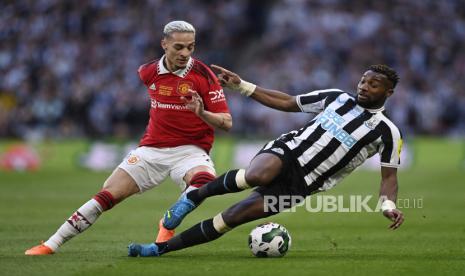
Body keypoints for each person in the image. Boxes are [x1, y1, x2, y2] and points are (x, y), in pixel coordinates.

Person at [127, 64, 405, 257]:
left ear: (388, 92)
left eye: (374, 84)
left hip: (303, 185)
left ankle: (160, 249)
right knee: (258, 174)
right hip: (288, 151)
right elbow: (287, 102)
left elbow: (389, 178)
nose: (365, 87)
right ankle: (193, 198)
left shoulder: (388, 132)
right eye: (363, 81)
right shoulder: (337, 98)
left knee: (232, 217)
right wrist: (242, 86)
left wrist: (388, 205)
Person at [25, 20, 232, 255]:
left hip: (191, 151)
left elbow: (226, 122)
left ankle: (168, 222)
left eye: (190, 47)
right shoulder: (148, 72)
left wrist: (201, 112)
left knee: (204, 181)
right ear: (164, 44)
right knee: (107, 195)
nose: (185, 53)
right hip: (151, 149)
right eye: (179, 47)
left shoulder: (203, 75)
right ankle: (51, 244)